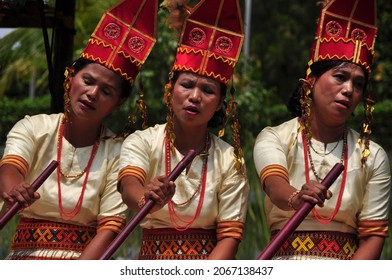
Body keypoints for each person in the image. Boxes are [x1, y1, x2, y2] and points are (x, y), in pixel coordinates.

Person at [0, 0, 158, 260]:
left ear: (118, 103)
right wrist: (14, 189)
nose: (92, 93)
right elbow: (10, 170)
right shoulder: (34, 127)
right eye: (87, 80)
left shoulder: (120, 152)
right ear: (70, 76)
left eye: (106, 91)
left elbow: (110, 227)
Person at [253, 0, 391, 260]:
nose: (349, 90)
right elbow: (274, 185)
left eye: (358, 84)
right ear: (312, 82)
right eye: (340, 77)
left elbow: (373, 235)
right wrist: (296, 197)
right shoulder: (274, 137)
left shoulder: (373, 155)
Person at [118, 0, 250, 260]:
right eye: (187, 85)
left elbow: (229, 236)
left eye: (208, 91)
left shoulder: (229, 159)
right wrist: (146, 196)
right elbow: (129, 187)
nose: (195, 97)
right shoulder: (143, 142)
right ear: (170, 91)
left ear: (221, 103)